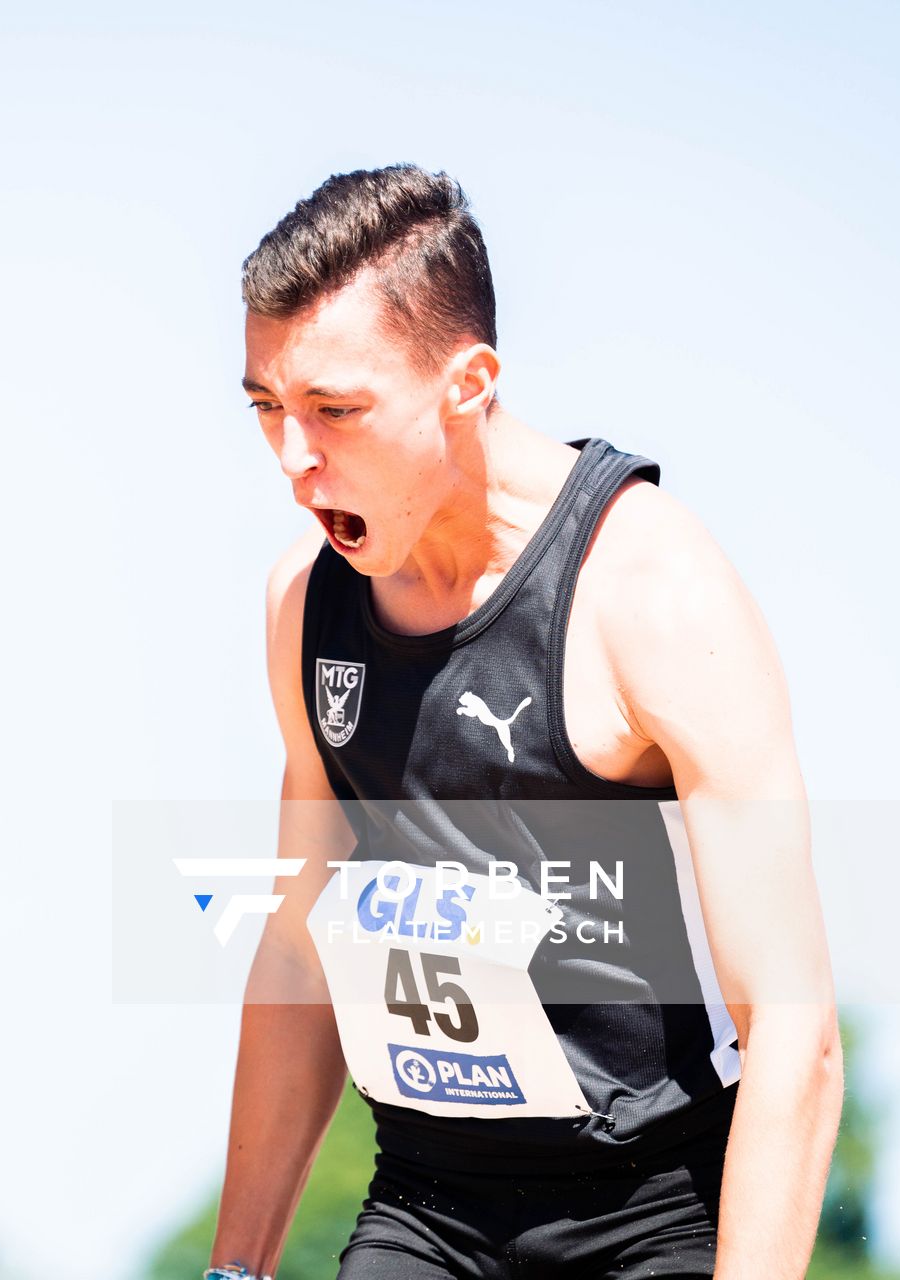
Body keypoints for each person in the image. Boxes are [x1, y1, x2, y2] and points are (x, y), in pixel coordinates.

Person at [204, 166, 841, 1280]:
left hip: (652, 1214)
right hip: (428, 1205)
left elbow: (798, 1034)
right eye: (268, 407)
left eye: (336, 412)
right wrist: (234, 1268)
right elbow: (301, 950)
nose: (295, 461)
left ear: (469, 381)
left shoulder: (649, 591)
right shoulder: (305, 604)